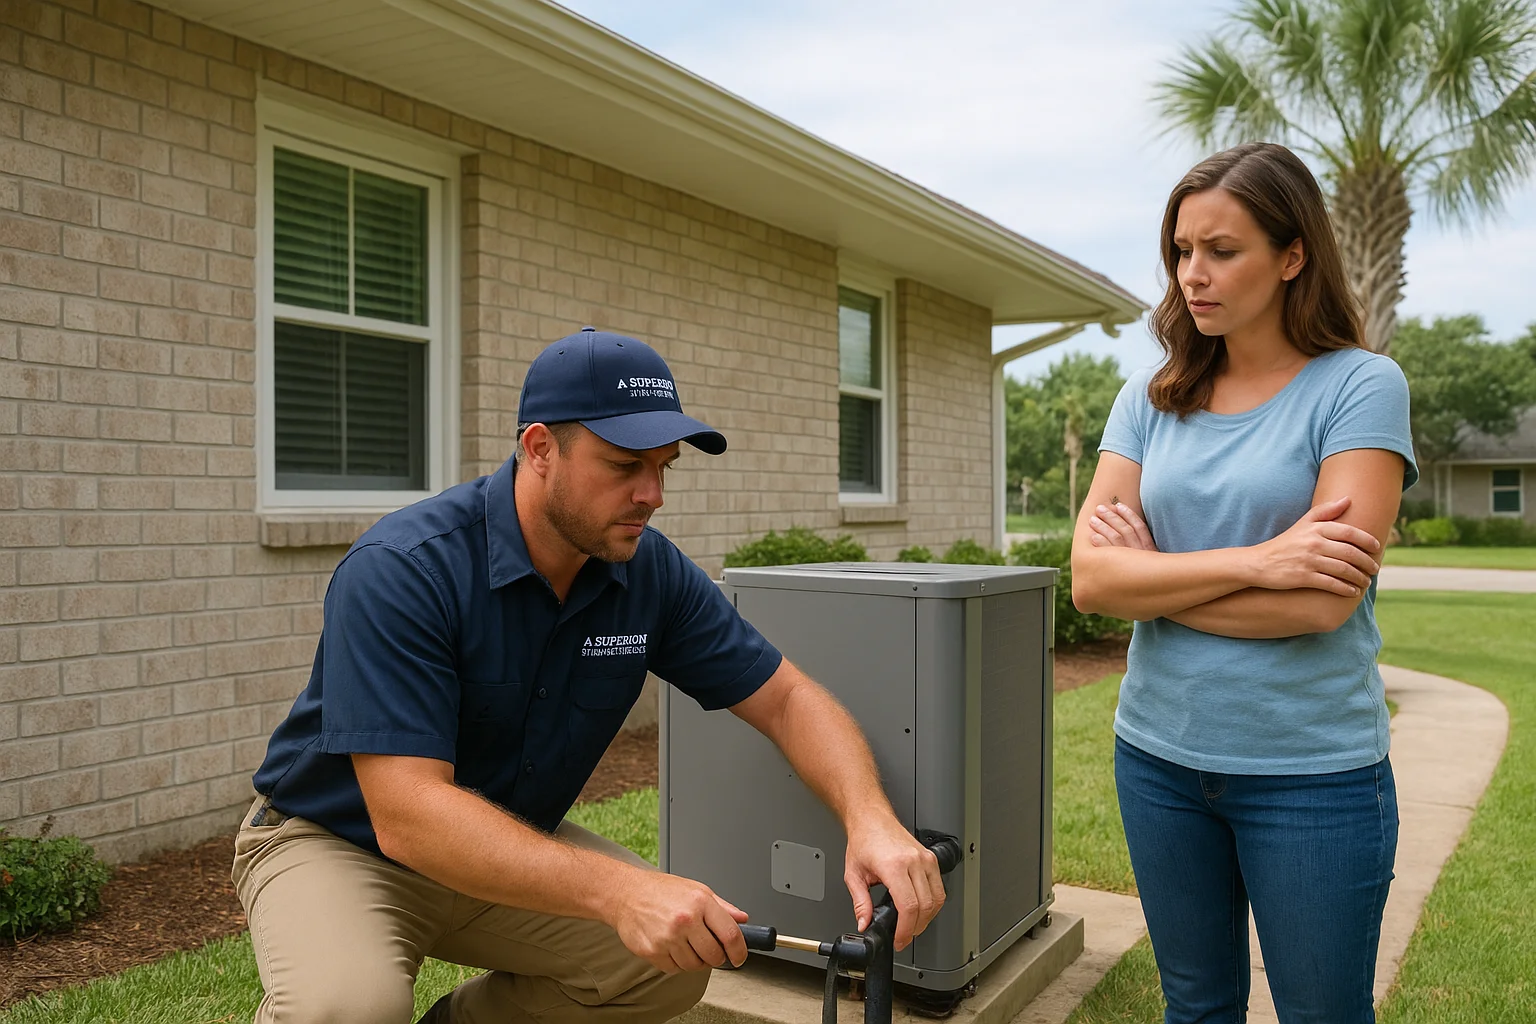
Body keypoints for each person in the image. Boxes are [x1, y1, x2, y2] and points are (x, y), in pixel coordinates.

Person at [233, 327, 945, 1024]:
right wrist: (619, 892)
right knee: (345, 1009)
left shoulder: (648, 571)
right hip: (338, 841)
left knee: (667, 962)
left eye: (664, 467)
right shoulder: (405, 569)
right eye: (624, 465)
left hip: (502, 847)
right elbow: (410, 814)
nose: (653, 494)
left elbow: (787, 698)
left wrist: (871, 820)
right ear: (540, 449)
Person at [1070, 144, 1415, 1023]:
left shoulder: (1359, 387)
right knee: (1195, 1008)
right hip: (1157, 758)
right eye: (1182, 251)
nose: (1193, 275)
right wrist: (1257, 561)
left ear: (1292, 255)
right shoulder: (1151, 396)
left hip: (1311, 775)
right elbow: (1091, 581)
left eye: (1222, 250)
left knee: (1322, 1013)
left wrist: (1155, 576)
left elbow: (1321, 600)